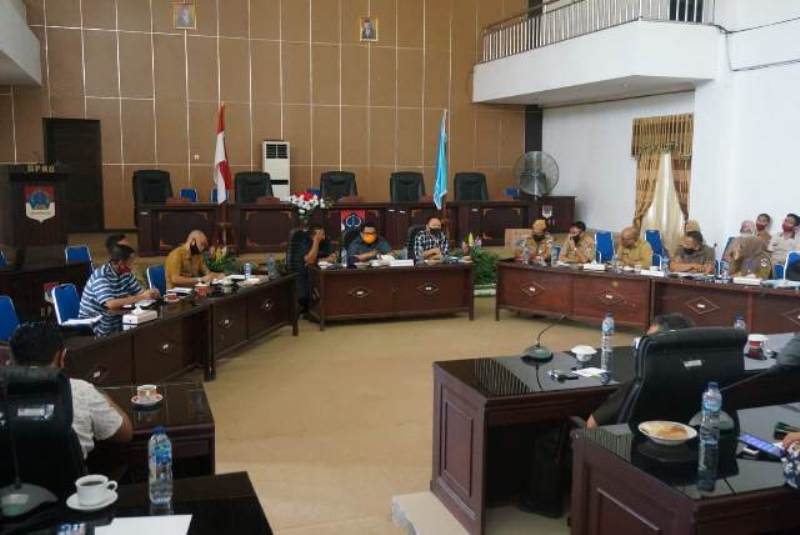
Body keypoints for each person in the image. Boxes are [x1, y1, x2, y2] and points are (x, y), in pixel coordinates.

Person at [8, 322, 133, 459]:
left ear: (11, 360)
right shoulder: (81, 390)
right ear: (62, 357)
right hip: (67, 473)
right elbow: (125, 434)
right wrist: (100, 393)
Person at [587, 313, 695, 428]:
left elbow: (592, 425)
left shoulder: (641, 382)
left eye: (647, 341)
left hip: (623, 438)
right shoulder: (699, 380)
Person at [78, 242, 160, 336]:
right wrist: (142, 297)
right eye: (131, 262)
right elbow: (111, 304)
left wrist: (152, 293)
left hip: (115, 317)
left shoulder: (126, 273)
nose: (133, 265)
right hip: (94, 323)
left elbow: (140, 293)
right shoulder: (101, 276)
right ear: (121, 263)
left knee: (146, 326)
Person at [298, 224, 337, 312]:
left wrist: (317, 260)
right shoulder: (305, 242)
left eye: (323, 234)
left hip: (324, 271)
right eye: (320, 234)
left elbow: (332, 258)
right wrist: (316, 241)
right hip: (307, 273)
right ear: (312, 236)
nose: (323, 237)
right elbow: (309, 260)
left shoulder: (326, 240)